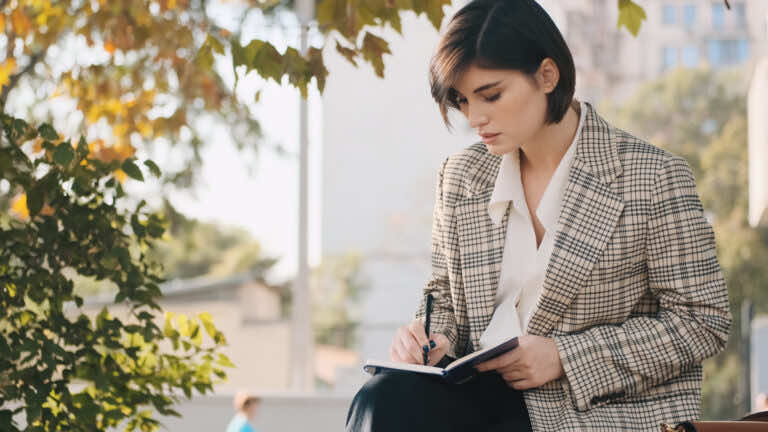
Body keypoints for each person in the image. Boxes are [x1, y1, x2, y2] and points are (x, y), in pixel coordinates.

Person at [345, 0, 733, 430]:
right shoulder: (460, 176)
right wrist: (429, 335)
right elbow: (444, 297)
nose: (475, 117)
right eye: (462, 100)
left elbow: (703, 322)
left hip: (593, 410)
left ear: (548, 75)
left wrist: (564, 357)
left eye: (491, 95)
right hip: (476, 393)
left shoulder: (653, 176)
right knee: (381, 397)